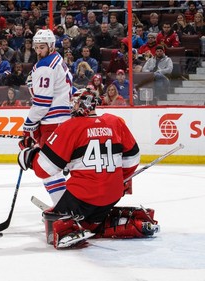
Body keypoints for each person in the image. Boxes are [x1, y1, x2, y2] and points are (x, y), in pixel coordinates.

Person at [17, 90, 159, 249]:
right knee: (92, 223)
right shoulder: (115, 122)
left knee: (52, 218)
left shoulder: (71, 126)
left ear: (81, 105)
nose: (73, 106)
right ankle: (127, 224)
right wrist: (119, 178)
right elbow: (133, 158)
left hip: (82, 198)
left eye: (76, 103)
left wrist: (28, 156)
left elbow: (44, 169)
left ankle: (68, 231)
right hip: (113, 195)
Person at [21, 29, 72, 205]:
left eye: (42, 47)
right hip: (64, 122)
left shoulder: (45, 66)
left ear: (51, 46)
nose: (38, 51)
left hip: (52, 124)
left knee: (48, 169)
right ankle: (70, 205)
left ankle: (62, 207)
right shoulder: (58, 60)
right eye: (36, 47)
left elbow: (42, 103)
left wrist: (28, 126)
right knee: (63, 166)